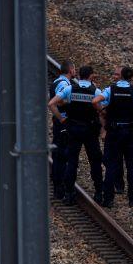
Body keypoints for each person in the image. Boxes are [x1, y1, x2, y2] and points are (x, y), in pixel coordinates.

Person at [92, 66, 133, 207]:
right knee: (132, 165)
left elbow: (95, 101)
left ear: (120, 76)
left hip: (114, 132)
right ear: (130, 77)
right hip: (130, 132)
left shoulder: (110, 90)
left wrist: (102, 112)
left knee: (111, 164)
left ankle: (108, 199)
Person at [48, 64, 103, 204]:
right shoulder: (95, 91)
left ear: (79, 75)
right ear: (91, 76)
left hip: (73, 129)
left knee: (72, 162)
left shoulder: (70, 88)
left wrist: (61, 118)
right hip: (90, 131)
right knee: (94, 161)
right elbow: (102, 109)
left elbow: (52, 104)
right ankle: (98, 192)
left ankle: (69, 194)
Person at [49, 60, 75, 202]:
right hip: (63, 123)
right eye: (74, 69)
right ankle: (60, 188)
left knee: (59, 154)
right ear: (70, 70)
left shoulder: (58, 81)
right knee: (61, 155)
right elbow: (57, 101)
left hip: (60, 122)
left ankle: (59, 186)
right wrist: (70, 102)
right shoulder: (63, 84)